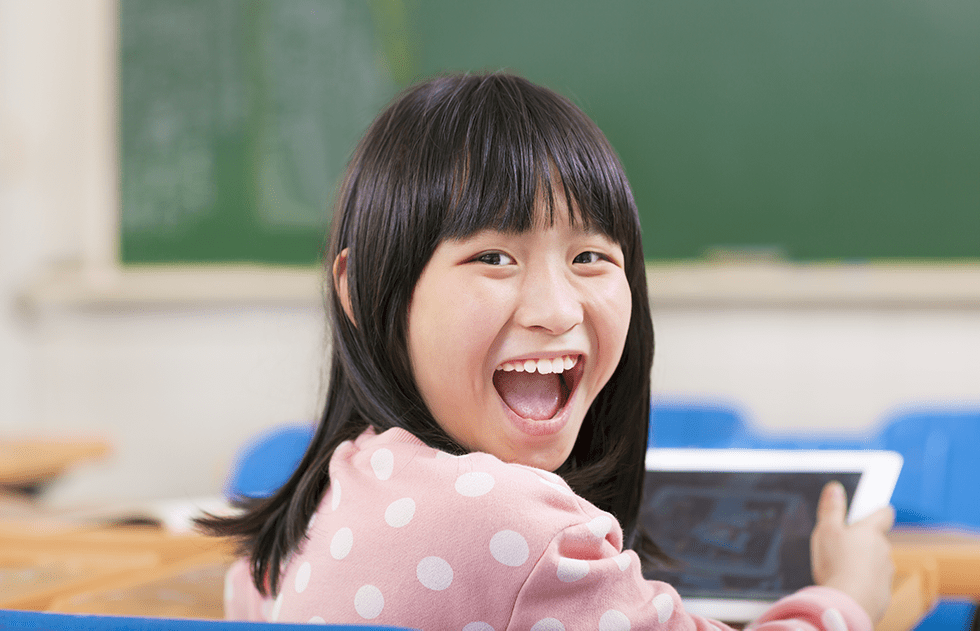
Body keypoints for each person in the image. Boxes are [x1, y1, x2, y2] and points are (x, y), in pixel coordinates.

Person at [200, 72, 894, 630]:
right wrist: (848, 595)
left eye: (591, 255)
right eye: (495, 256)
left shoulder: (326, 491)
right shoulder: (510, 524)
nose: (558, 308)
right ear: (364, 288)